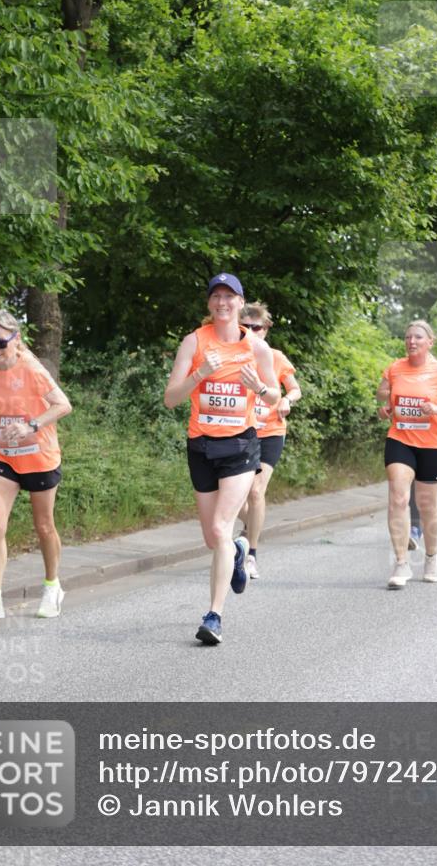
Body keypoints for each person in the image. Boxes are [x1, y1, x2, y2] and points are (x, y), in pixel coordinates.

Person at [164, 273, 279, 644]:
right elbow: (171, 398)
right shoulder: (194, 342)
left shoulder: (256, 348)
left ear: (240, 303)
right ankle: (240, 550)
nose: (222, 302)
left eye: (230, 297)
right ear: (209, 303)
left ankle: (214, 616)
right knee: (213, 539)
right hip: (201, 445)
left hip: (241, 446)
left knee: (220, 527)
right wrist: (200, 373)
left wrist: (258, 387)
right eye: (216, 296)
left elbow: (275, 397)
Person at [0, 310, 72, 619]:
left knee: (44, 526)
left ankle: (52, 587)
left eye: (0, 343)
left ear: (16, 339)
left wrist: (31, 425)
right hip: (4, 453)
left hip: (39, 455)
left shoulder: (33, 369)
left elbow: (63, 405)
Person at [376, 320, 437, 589]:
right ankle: (401, 563)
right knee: (398, 497)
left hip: (433, 445)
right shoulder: (395, 368)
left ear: (430, 342)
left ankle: (432, 558)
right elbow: (382, 394)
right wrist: (385, 408)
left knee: (427, 504)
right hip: (400, 440)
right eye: (408, 337)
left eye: (418, 337)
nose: (411, 341)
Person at [236, 302, 302, 579]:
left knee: (255, 491)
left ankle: (251, 554)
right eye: (246, 327)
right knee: (234, 495)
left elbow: (295, 389)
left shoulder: (275, 357)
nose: (252, 332)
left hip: (271, 432)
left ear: (266, 329)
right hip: (240, 432)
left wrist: (286, 400)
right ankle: (252, 526)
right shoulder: (232, 355)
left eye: (257, 327)